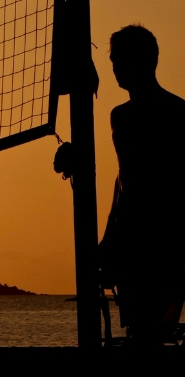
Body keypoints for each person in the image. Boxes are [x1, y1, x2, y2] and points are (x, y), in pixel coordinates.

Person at [99, 24, 185, 345]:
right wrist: (109, 237)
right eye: (113, 60)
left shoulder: (177, 112)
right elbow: (123, 178)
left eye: (119, 60)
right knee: (138, 332)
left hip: (165, 241)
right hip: (130, 240)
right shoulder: (119, 115)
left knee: (157, 334)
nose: (115, 68)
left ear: (145, 61)